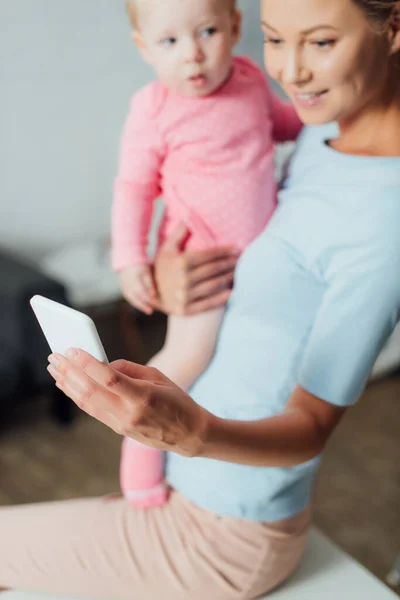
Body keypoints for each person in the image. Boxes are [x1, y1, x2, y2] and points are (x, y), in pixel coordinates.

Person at [1, 0, 400, 598]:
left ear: (393, 26)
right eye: (273, 39)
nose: (290, 71)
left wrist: (190, 433)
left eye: (319, 42)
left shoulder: (386, 217)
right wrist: (167, 270)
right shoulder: (325, 132)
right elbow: (255, 253)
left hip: (226, 530)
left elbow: (312, 427)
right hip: (184, 481)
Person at [113, 0, 301, 508]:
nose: (193, 55)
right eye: (170, 42)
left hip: (263, 261)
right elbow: (134, 188)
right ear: (144, 48)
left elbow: (281, 124)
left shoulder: (249, 77)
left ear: (236, 27)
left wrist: (321, 116)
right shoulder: (154, 107)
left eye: (208, 31)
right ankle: (141, 471)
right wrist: (131, 258)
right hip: (204, 268)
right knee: (182, 363)